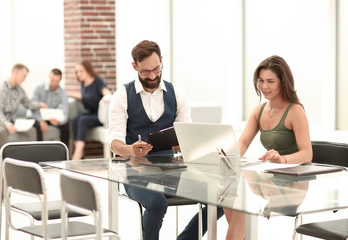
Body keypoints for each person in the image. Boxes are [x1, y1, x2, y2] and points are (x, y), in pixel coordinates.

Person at [108, 40, 224, 240]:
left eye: (156, 69)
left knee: (222, 197)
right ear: (135, 67)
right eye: (145, 72)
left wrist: (185, 144)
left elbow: (188, 134)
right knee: (157, 202)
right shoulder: (122, 96)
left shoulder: (177, 93)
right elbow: (115, 143)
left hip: (172, 170)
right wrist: (130, 150)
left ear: (161, 61)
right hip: (134, 171)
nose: (152, 76)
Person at [223, 55, 313, 240]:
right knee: (226, 194)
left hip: (294, 184)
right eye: (261, 81)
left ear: (283, 82)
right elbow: (242, 143)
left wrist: (283, 159)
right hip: (270, 178)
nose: (264, 87)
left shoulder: (295, 111)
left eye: (270, 81)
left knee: (243, 201)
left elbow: (307, 153)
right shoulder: (259, 111)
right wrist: (234, 154)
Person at [0, 63, 46, 162]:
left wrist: (40, 105)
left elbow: (27, 103)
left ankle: (32, 159)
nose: (24, 79)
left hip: (12, 120)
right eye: (24, 76)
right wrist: (7, 124)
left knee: (32, 131)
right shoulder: (0, 88)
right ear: (15, 72)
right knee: (2, 131)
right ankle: (1, 159)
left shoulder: (19, 89)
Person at [69, 61, 112, 160]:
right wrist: (69, 94)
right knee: (75, 119)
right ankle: (80, 151)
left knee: (82, 120)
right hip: (90, 113)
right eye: (77, 72)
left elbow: (106, 91)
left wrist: (108, 96)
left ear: (88, 70)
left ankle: (78, 153)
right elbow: (85, 97)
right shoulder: (83, 85)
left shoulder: (97, 81)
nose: (78, 74)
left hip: (99, 116)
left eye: (81, 71)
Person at [30, 68, 70, 147]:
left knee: (66, 124)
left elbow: (65, 113)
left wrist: (58, 121)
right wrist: (40, 120)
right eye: (52, 80)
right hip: (38, 117)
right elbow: (32, 105)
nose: (54, 83)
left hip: (53, 119)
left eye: (57, 81)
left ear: (60, 80)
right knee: (37, 125)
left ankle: (65, 154)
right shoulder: (38, 87)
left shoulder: (63, 93)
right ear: (49, 77)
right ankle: (40, 153)